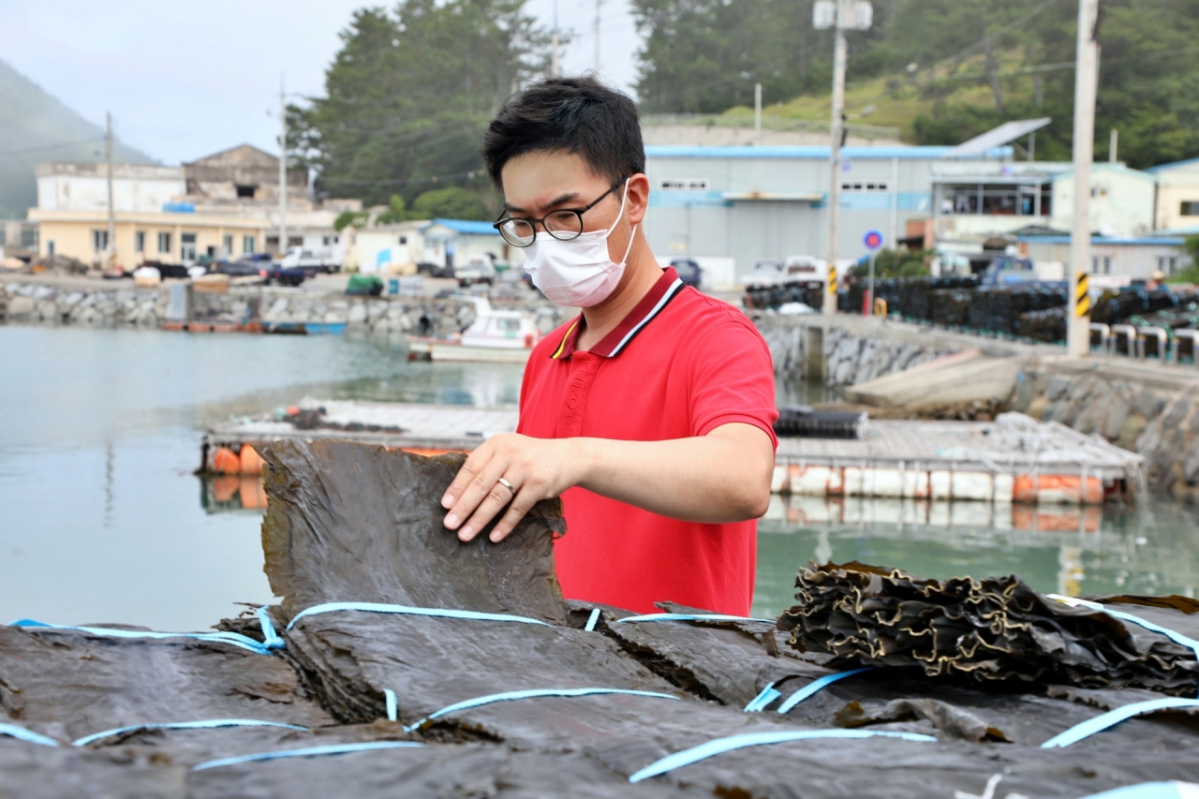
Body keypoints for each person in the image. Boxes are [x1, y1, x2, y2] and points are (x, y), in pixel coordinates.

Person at [438, 76, 778, 616]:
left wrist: (577, 456)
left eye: (565, 215)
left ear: (634, 199)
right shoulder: (547, 354)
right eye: (523, 223)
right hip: (553, 659)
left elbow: (744, 478)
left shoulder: (715, 336)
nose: (545, 240)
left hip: (671, 666)